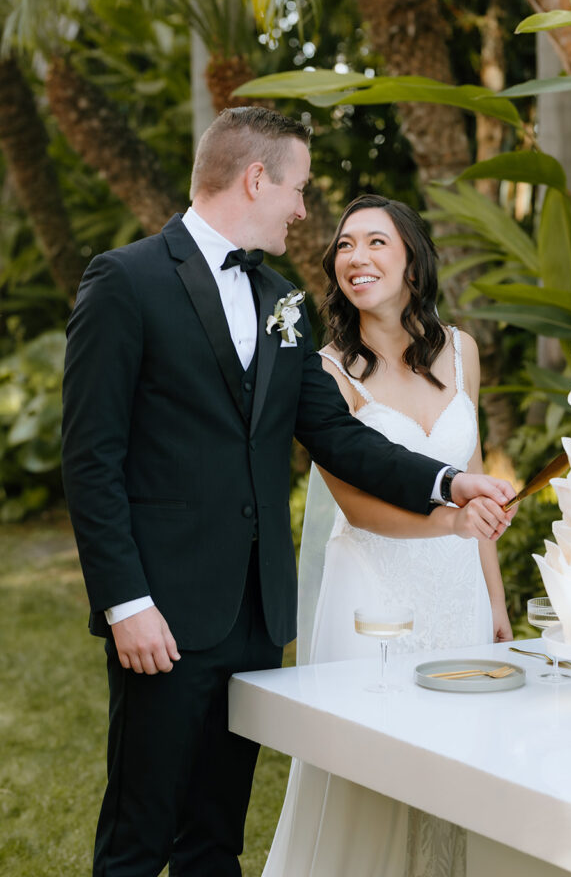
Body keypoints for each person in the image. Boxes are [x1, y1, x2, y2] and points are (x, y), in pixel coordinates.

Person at [61, 108, 515, 877]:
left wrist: (446, 478)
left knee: (216, 833)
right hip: (163, 609)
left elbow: (337, 435)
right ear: (256, 179)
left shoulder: (285, 300)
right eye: (299, 189)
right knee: (141, 831)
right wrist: (125, 603)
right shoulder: (126, 279)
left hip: (254, 614)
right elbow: (90, 458)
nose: (305, 211)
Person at [263, 193, 515, 877]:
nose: (356, 257)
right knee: (372, 776)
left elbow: (472, 478)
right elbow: (359, 505)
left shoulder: (460, 350)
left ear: (411, 260)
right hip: (372, 600)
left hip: (457, 591)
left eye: (375, 242)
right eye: (344, 245)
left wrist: (493, 602)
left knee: (465, 764)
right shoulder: (324, 372)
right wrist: (453, 519)